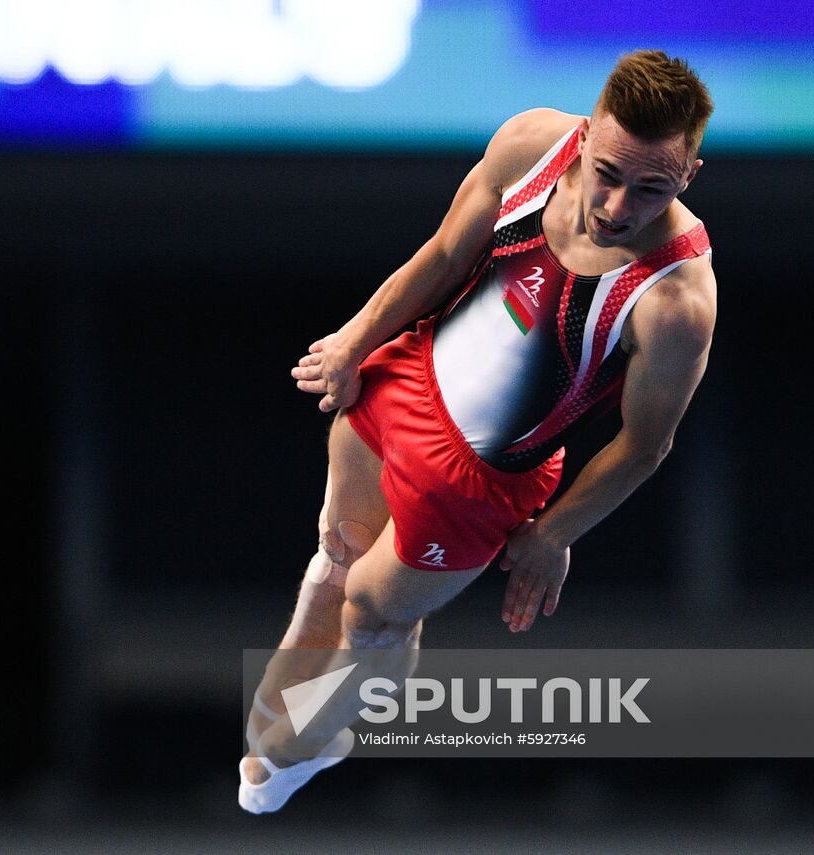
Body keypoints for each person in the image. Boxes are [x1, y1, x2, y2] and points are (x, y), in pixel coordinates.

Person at [239, 49, 717, 813]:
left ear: (690, 173)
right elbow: (443, 255)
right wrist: (359, 337)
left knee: (368, 611)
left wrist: (556, 533)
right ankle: (311, 697)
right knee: (337, 555)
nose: (620, 205)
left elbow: (643, 444)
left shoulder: (676, 300)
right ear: (587, 135)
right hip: (411, 374)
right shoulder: (530, 143)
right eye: (608, 173)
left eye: (652, 187)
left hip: (481, 480)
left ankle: (319, 738)